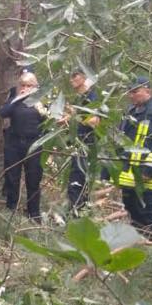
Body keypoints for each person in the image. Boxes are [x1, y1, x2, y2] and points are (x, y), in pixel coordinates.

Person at [111, 76, 152, 232]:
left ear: (148, 91)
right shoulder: (130, 112)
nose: (131, 95)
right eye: (129, 92)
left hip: (147, 177)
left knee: (148, 211)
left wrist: (149, 170)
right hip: (129, 175)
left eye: (135, 91)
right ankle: (140, 242)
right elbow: (122, 141)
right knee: (132, 210)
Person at [0, 72, 47, 221]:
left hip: (34, 145)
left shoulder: (41, 100)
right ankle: (11, 208)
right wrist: (17, 98)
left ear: (35, 87)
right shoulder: (14, 98)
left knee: (33, 179)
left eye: (29, 85)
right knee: (12, 177)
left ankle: (34, 213)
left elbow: (50, 119)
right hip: (14, 143)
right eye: (23, 85)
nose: (25, 88)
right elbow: (2, 113)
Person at [65, 70, 100, 213]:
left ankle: (78, 213)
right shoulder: (78, 99)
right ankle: (76, 211)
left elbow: (96, 122)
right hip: (77, 144)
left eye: (75, 76)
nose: (71, 79)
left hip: (87, 145)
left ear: (85, 78)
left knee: (78, 179)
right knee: (74, 178)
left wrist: (75, 115)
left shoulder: (92, 98)